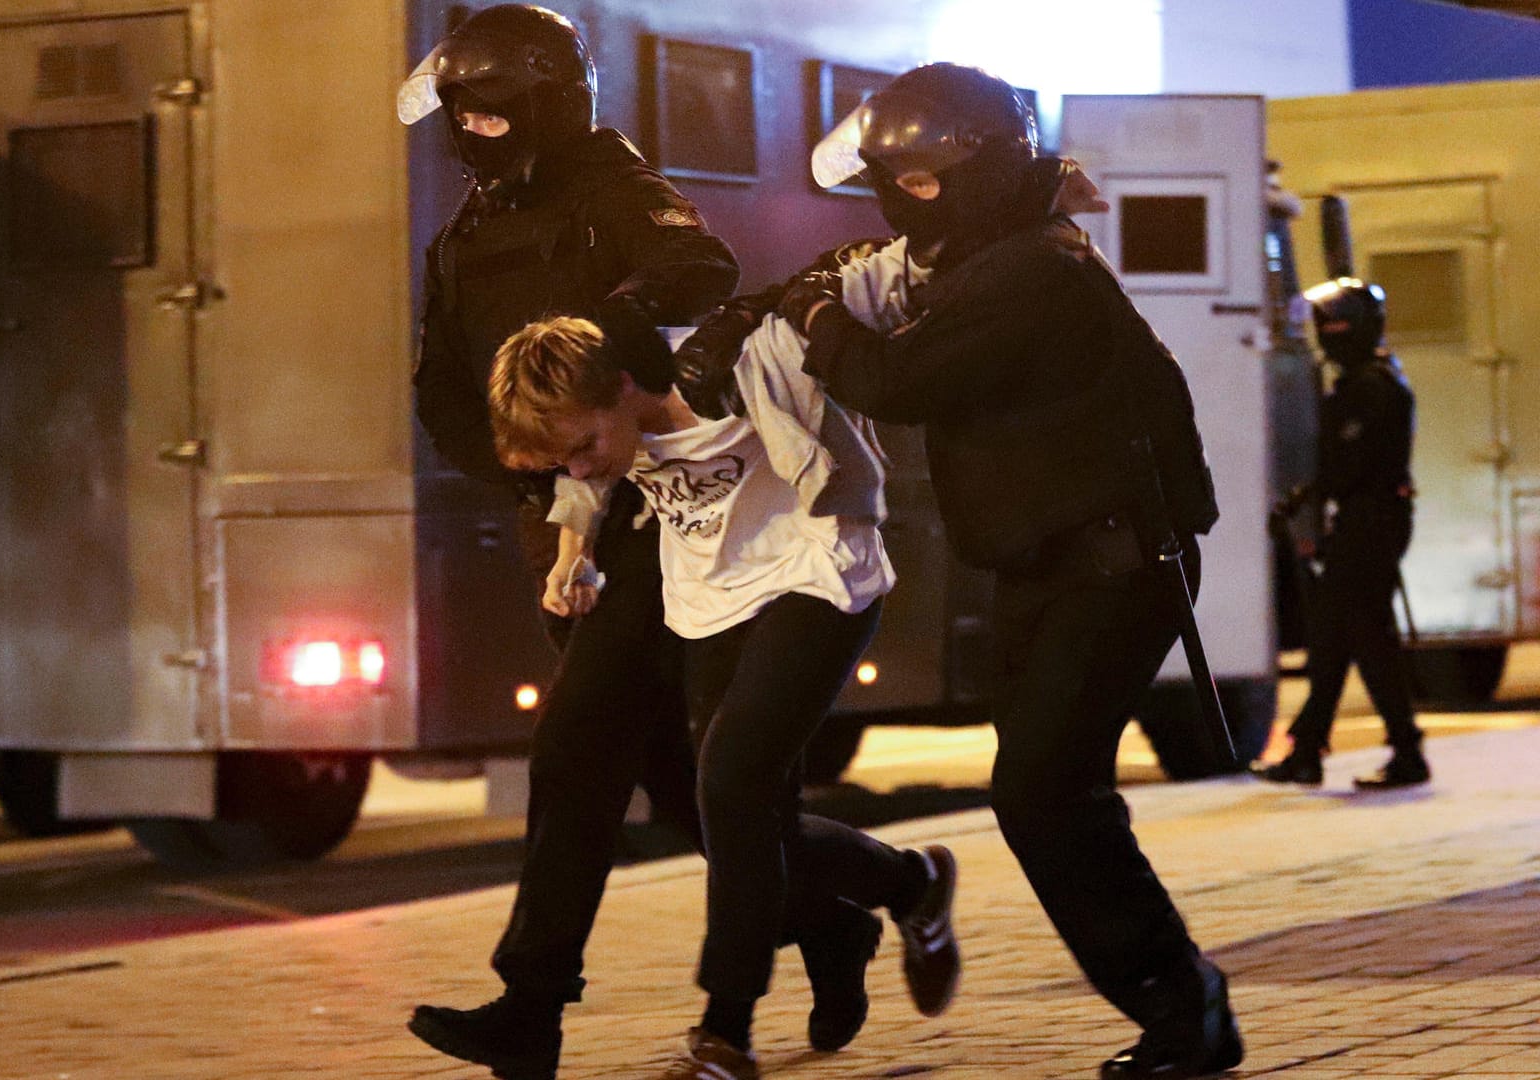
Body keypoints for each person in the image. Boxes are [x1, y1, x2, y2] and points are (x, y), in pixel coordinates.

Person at [683, 63, 1243, 1079]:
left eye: (926, 177)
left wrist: (814, 322)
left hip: (1109, 566)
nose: (905, 197)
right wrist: (771, 307)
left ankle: (1184, 1006)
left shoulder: (1030, 269)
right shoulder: (980, 256)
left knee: (1042, 793)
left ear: (979, 165)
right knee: (1040, 795)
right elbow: (864, 280)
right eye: (893, 178)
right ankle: (1181, 1004)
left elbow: (896, 378)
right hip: (1052, 567)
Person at [396, 9, 894, 1077]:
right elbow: (439, 383)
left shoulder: (612, 188)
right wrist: (536, 472)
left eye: (496, 110)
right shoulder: (465, 232)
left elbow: (695, 269)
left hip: (651, 507)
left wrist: (603, 373)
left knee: (580, 750)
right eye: (463, 114)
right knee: (688, 794)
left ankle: (532, 1009)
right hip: (568, 507)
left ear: (547, 101)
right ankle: (842, 915)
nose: (478, 131)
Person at [488, 281, 958, 1079]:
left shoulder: (739, 371)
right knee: (746, 821)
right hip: (712, 604)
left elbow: (860, 284)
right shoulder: (605, 431)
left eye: (585, 443)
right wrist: (574, 556)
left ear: (625, 388)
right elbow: (585, 481)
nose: (579, 464)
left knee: (735, 781)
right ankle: (910, 882)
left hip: (817, 580)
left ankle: (725, 1032)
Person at [1255, 278, 1426, 790]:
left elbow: (1349, 464)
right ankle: (1307, 752)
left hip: (1369, 522)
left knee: (1368, 639)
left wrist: (1303, 500)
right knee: (1332, 639)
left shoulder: (1369, 388)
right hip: (1366, 520)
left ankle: (1406, 751)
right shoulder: (1369, 381)